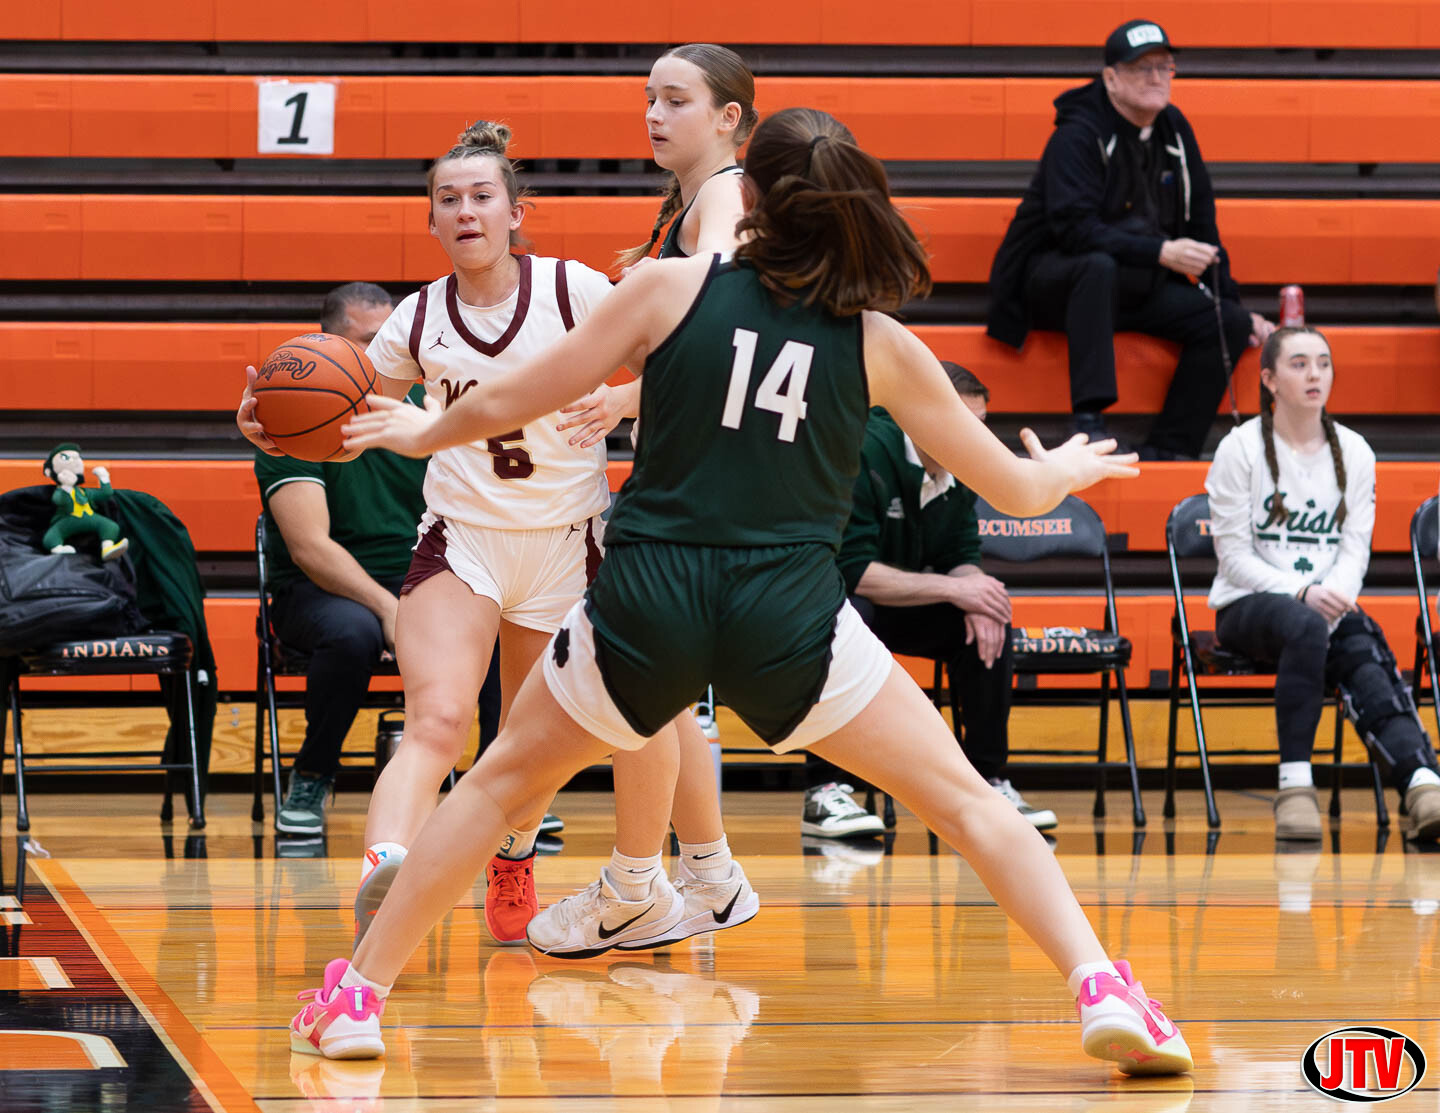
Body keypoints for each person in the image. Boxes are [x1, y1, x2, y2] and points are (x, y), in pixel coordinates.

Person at [294, 106, 1191, 1078]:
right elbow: (1012, 489)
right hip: (788, 610)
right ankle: (1102, 987)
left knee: (494, 784)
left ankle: (357, 999)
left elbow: (516, 394)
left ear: (749, 194)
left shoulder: (668, 288)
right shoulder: (878, 340)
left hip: (651, 599)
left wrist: (422, 431)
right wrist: (1063, 468)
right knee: (971, 804)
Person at [529, 42, 761, 956]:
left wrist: (630, 396)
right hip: (695, 481)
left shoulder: (724, 199)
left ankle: (635, 884)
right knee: (658, 692)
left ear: (729, 117)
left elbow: (723, 319)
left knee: (636, 683)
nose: (655, 115)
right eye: (649, 99)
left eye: (675, 99)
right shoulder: (694, 201)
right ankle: (709, 873)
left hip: (692, 490)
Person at [986, 18, 1275, 461]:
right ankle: (1088, 422)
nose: (1156, 78)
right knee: (1096, 266)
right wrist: (1160, 251)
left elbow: (1202, 226)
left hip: (1133, 284)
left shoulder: (1174, 130)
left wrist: (1231, 302)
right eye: (1142, 68)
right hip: (1054, 285)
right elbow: (1073, 230)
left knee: (1227, 323)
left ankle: (1171, 447)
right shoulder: (1077, 134)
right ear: (1111, 78)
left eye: (1164, 67)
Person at [1206, 325, 1440, 841]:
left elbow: (1355, 549)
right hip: (1248, 604)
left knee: (1363, 651)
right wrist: (1302, 593)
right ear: (1269, 379)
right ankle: (1295, 788)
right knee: (1306, 625)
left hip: (1325, 605)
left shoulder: (1355, 451)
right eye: (1299, 364)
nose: (1314, 373)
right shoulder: (1239, 448)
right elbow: (1234, 558)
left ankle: (1422, 782)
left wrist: (1333, 598)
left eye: (1323, 363)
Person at [804, 361, 1056, 838]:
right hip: (833, 601)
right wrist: (957, 589)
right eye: (966, 423)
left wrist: (977, 593)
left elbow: (961, 554)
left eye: (981, 425)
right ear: (925, 414)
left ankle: (988, 783)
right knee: (849, 618)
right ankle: (824, 791)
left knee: (989, 625)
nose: (978, 438)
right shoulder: (865, 449)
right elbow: (851, 570)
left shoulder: (962, 466)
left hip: (904, 601)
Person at [255, 282, 436, 836]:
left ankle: (506, 791)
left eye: (390, 339)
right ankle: (313, 773)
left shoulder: (424, 412)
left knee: (498, 621)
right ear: (330, 343)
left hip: (418, 576)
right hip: (316, 589)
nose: (384, 353)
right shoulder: (290, 416)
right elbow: (310, 547)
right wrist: (388, 607)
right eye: (368, 340)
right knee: (352, 632)